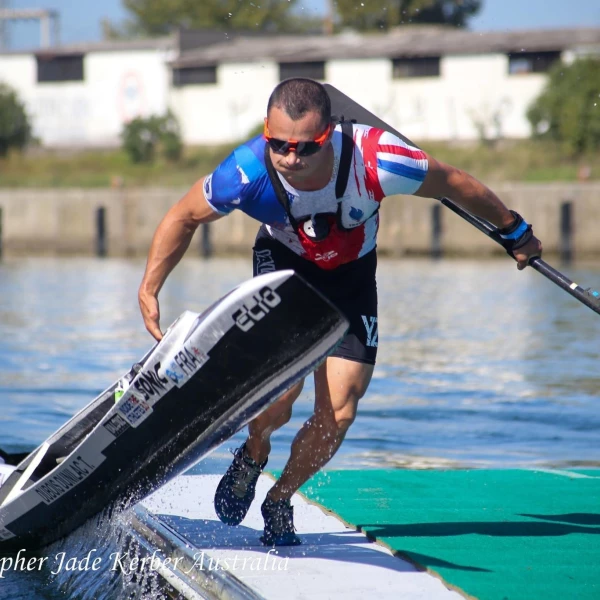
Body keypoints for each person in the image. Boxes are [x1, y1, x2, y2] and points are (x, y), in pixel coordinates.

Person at [138, 77, 542, 546]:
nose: (290, 159)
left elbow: (452, 182)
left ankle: (280, 498)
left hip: (351, 279)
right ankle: (253, 453)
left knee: (341, 408)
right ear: (266, 132)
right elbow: (183, 216)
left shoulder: (379, 160)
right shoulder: (246, 171)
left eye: (305, 148)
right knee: (280, 394)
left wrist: (513, 230)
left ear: (327, 134)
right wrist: (150, 287)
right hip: (285, 269)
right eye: (279, 145)